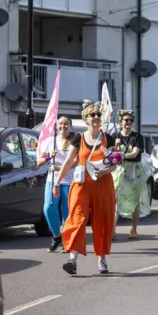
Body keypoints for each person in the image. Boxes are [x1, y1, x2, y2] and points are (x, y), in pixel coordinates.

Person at [55, 100, 119, 275]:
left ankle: (102, 260)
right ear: (86, 119)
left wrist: (104, 172)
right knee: (77, 219)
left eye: (99, 114)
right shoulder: (79, 138)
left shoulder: (108, 138)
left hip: (103, 184)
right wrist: (57, 182)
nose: (97, 117)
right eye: (93, 115)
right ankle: (72, 260)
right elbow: (68, 162)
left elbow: (114, 164)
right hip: (82, 183)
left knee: (102, 222)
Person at [37, 116, 76, 252]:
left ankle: (67, 240)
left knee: (68, 214)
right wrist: (49, 157)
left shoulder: (74, 140)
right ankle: (56, 236)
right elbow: (39, 161)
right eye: (60, 124)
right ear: (56, 126)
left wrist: (59, 169)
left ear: (70, 126)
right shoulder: (50, 141)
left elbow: (76, 161)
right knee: (48, 208)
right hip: (52, 181)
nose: (63, 126)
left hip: (70, 181)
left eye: (66, 124)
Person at [112, 110, 151, 241]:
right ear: (121, 122)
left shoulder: (137, 137)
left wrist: (122, 155)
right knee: (115, 200)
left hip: (134, 171)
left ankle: (133, 229)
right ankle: (112, 230)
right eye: (126, 120)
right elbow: (110, 153)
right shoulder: (115, 136)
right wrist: (114, 149)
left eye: (131, 120)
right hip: (119, 171)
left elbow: (134, 153)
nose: (128, 122)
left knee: (135, 201)